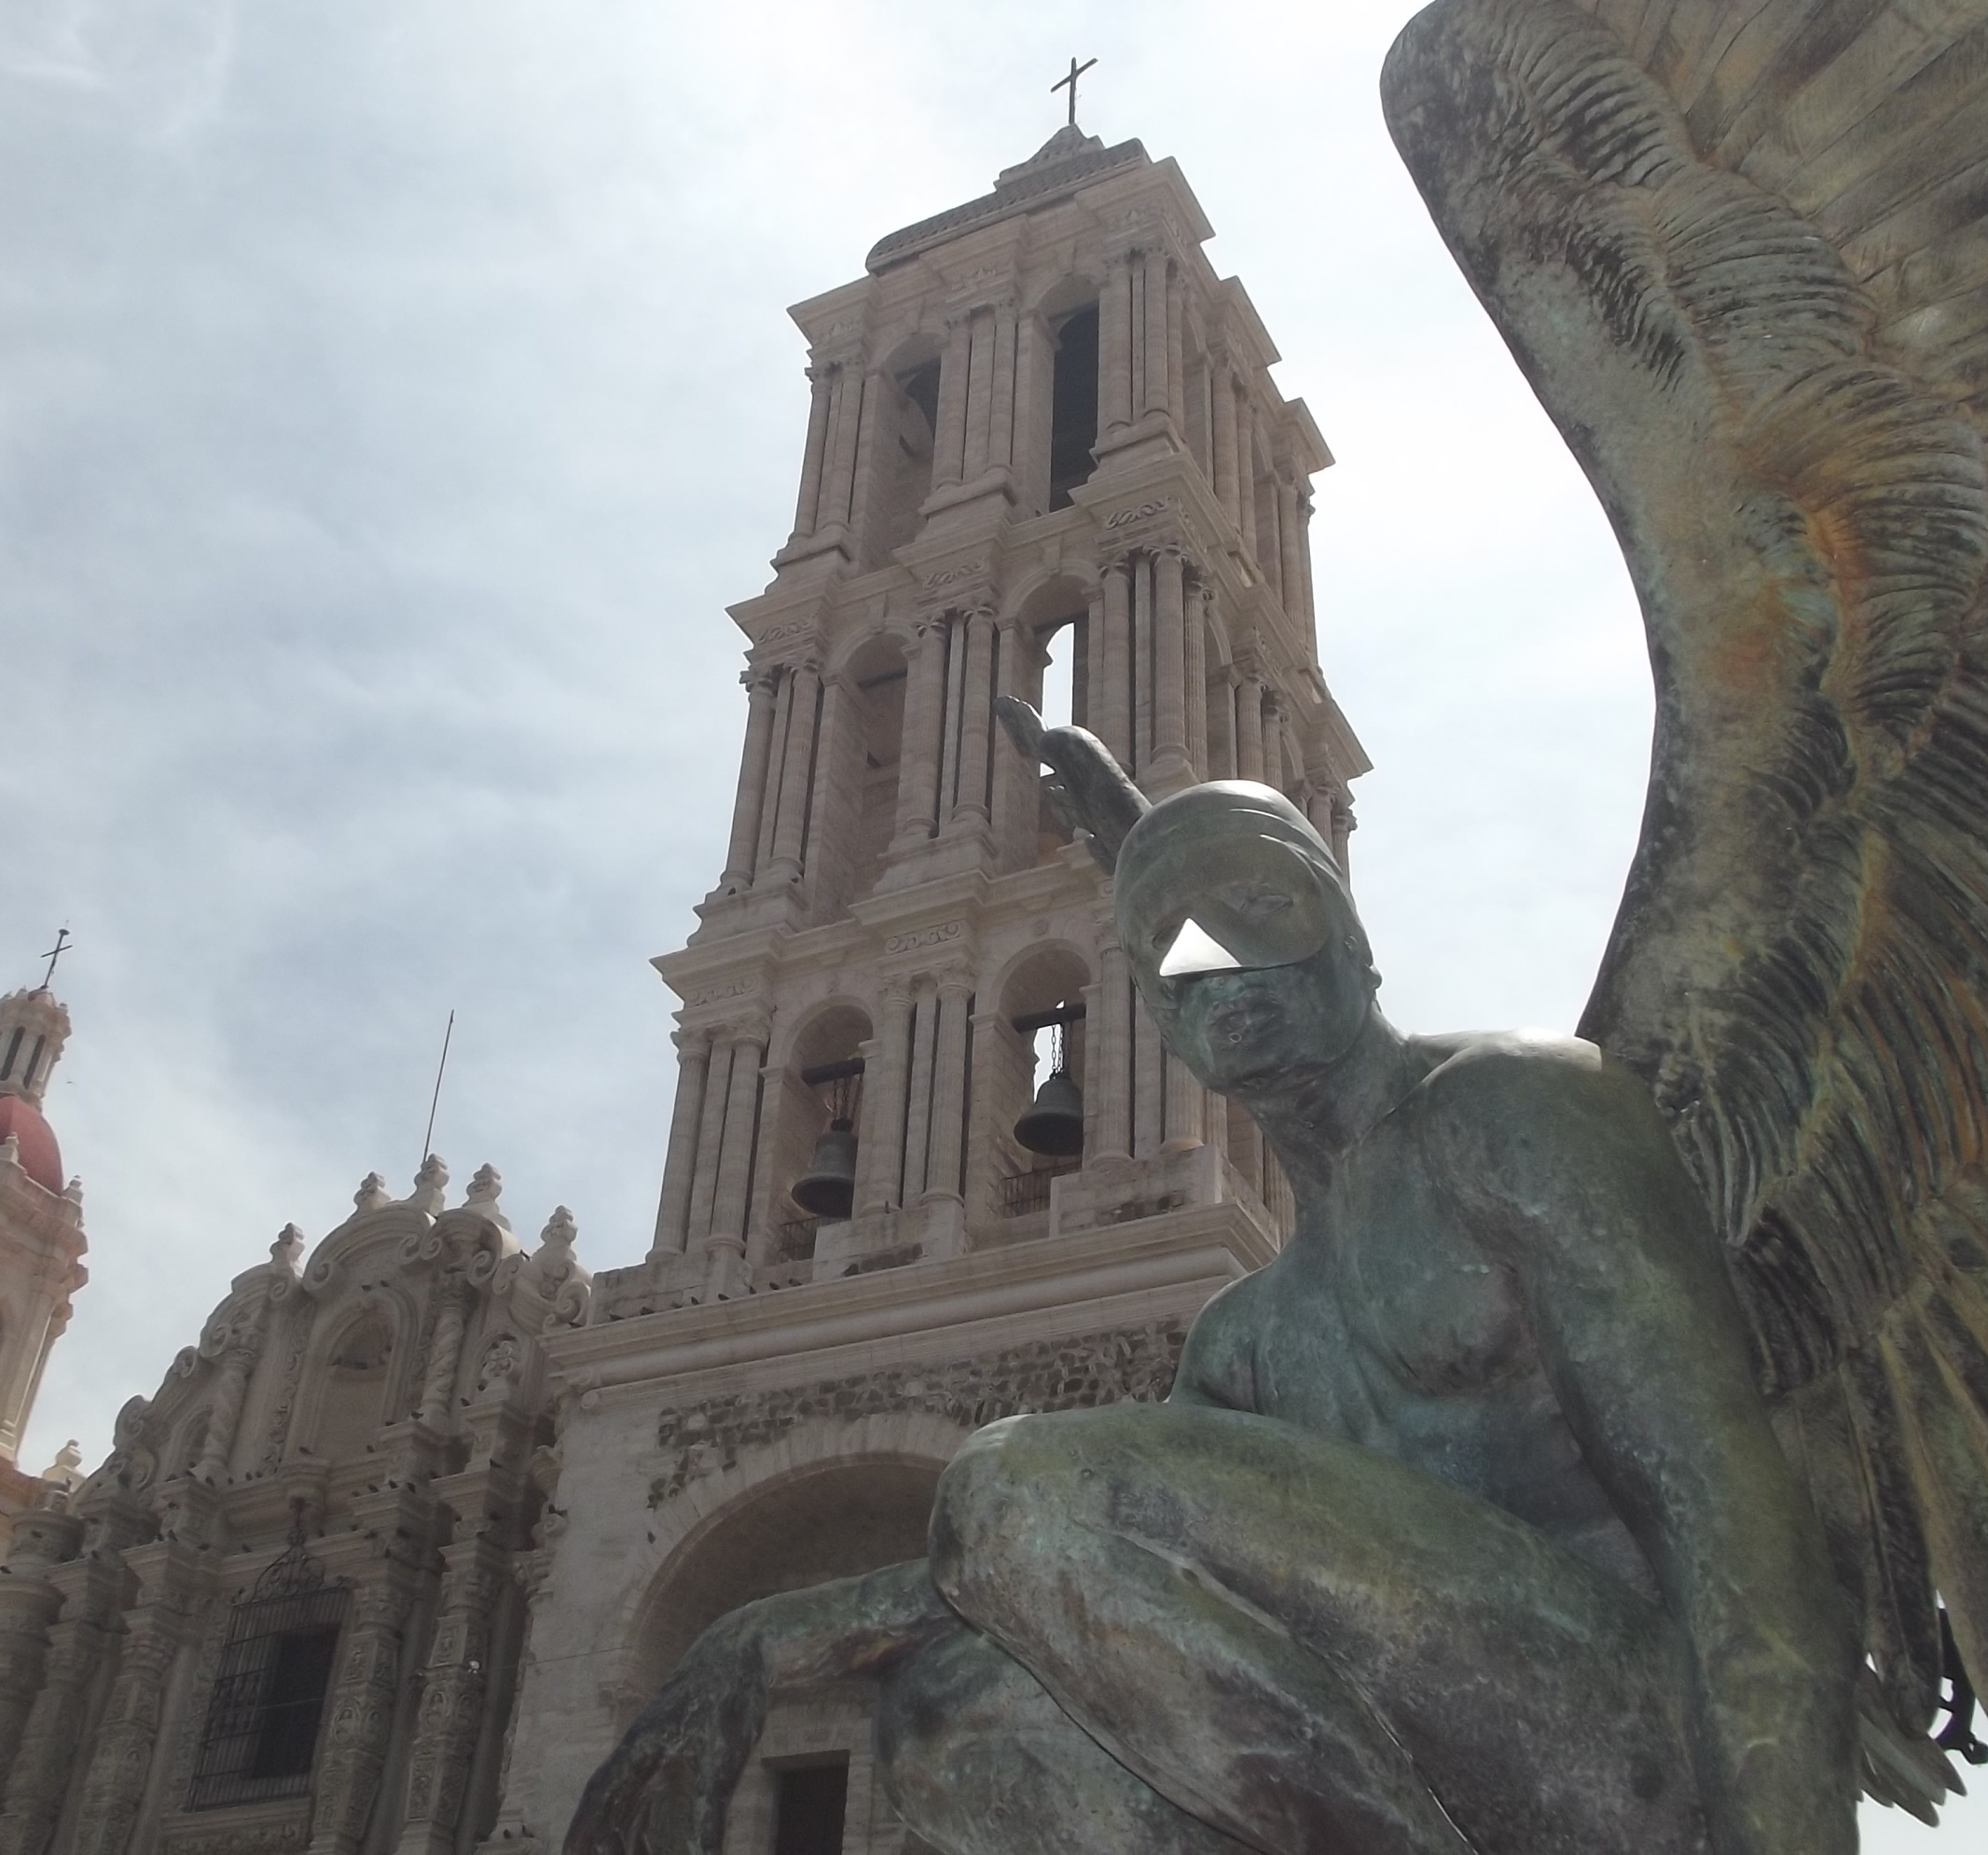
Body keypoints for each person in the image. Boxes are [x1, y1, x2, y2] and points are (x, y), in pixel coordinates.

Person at [569, 777, 1856, 1855]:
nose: (1218, 959)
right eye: (1171, 949)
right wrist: (751, 1640)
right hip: (1443, 1745)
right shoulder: (1248, 1338)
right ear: (1157, 1021)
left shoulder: (1511, 1115)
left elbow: (1729, 1513)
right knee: (956, 1714)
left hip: (1630, 1740)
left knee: (1017, 1476)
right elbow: (1042, 1569)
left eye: (1263, 906)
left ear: (1355, 938)